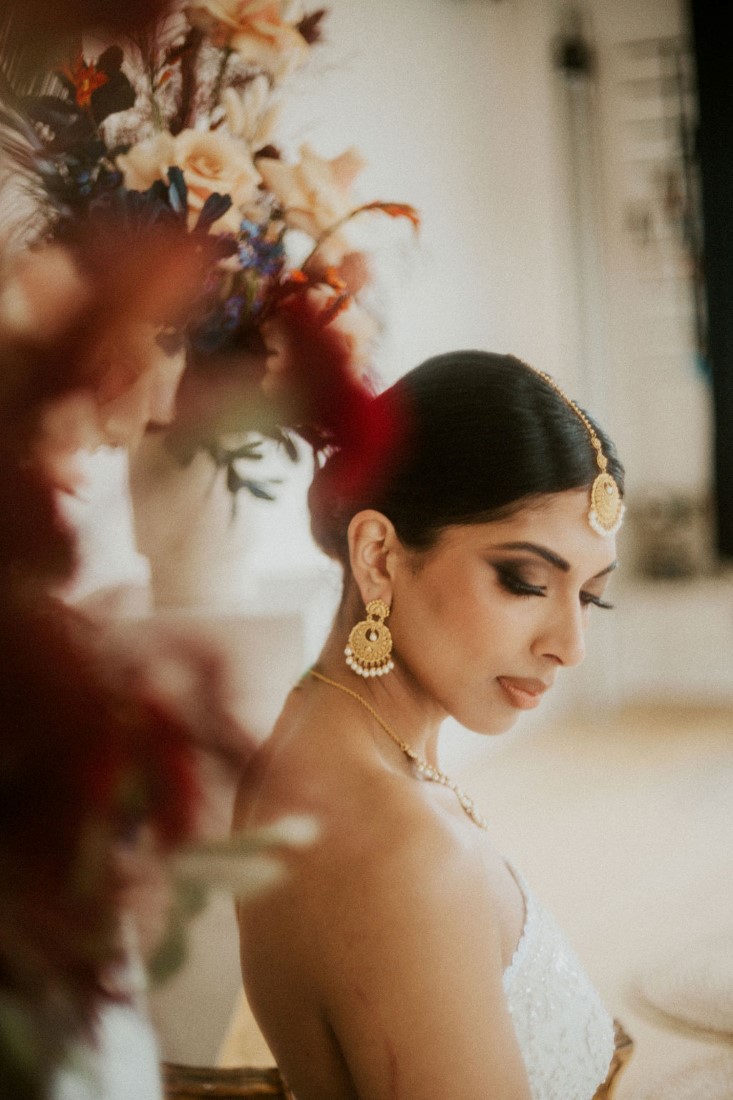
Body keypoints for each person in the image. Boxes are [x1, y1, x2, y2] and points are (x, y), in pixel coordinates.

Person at [233, 350, 626, 1100]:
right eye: (525, 582)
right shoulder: (401, 851)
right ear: (377, 557)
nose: (569, 647)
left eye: (589, 598)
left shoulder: (312, 735)